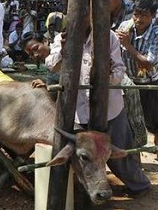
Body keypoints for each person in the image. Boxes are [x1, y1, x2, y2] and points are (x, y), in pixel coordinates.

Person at [26, 21, 151, 197]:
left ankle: (140, 186)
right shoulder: (62, 38)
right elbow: (52, 65)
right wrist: (63, 49)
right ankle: (90, 190)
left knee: (118, 156)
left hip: (109, 109)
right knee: (85, 155)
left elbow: (119, 70)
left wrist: (106, 75)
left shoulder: (108, 36)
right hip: (78, 111)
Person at [116, 0, 158, 165]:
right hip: (127, 82)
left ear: (153, 16)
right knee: (129, 120)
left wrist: (127, 45)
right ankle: (135, 155)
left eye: (144, 16)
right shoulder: (124, 28)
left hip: (149, 83)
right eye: (136, 15)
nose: (138, 20)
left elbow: (148, 63)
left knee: (154, 118)